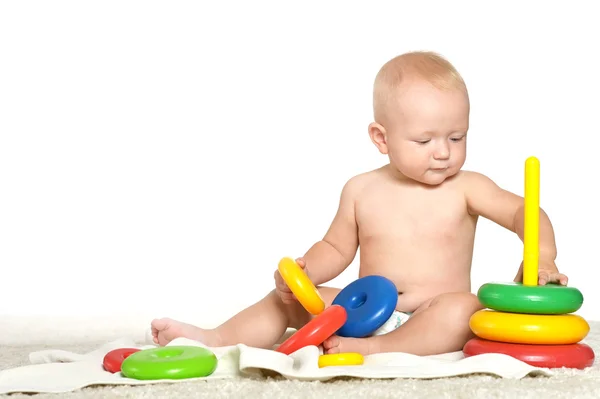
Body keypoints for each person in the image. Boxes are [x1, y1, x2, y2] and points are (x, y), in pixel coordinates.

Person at [150, 51, 568, 356]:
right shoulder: (361, 190)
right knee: (286, 301)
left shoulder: (467, 187)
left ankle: (378, 351)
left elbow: (524, 212)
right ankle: (216, 339)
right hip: (358, 312)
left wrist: (543, 259)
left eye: (456, 137)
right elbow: (335, 248)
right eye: (424, 141)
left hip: (430, 316)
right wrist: (306, 270)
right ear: (381, 138)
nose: (443, 152)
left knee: (467, 309)